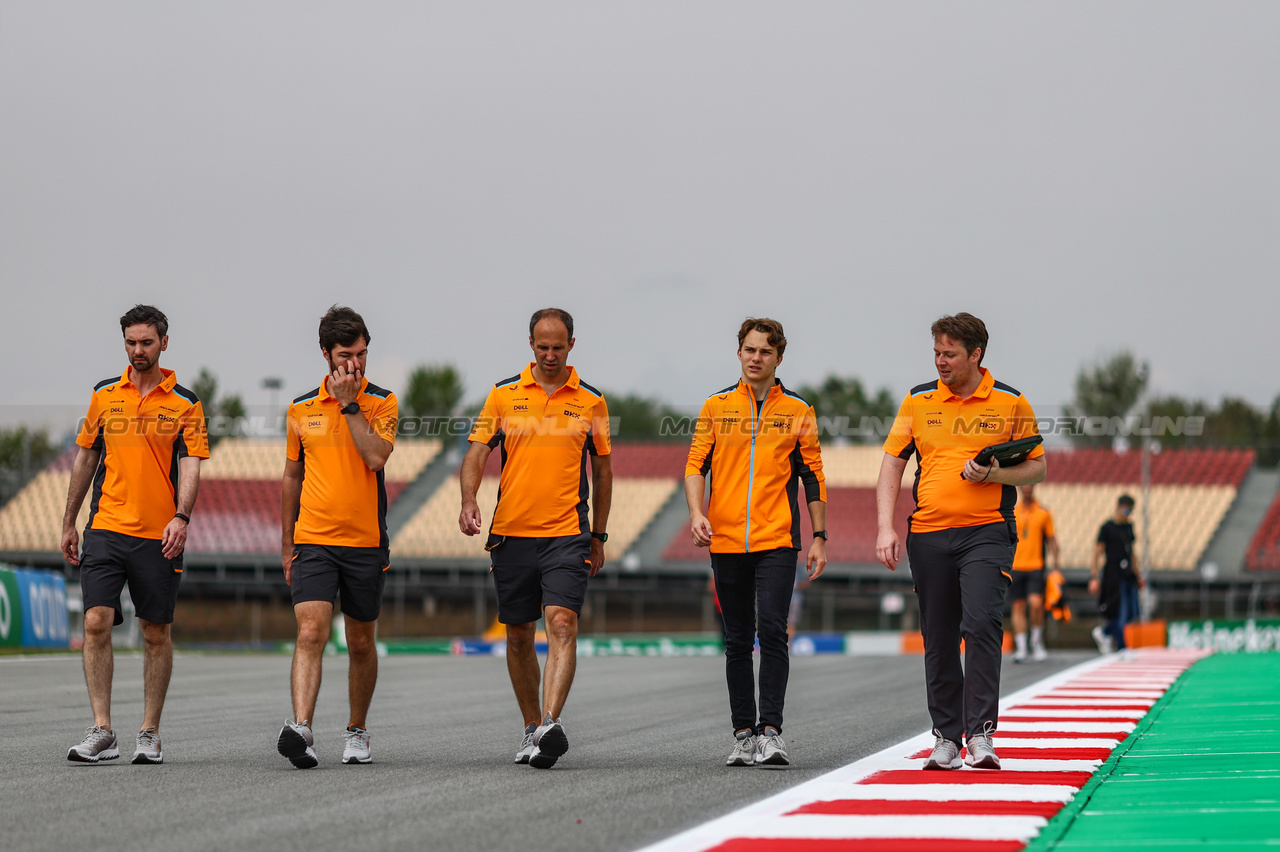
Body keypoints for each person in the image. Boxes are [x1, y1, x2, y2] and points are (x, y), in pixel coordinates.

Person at [875, 312, 1045, 771]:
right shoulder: (918, 399)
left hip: (987, 531)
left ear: (976, 354)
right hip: (928, 534)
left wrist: (995, 474)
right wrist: (885, 526)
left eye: (950, 354)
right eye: (936, 353)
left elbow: (1038, 467)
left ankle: (982, 736)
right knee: (939, 637)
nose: (940, 362)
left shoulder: (1011, 402)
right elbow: (892, 462)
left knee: (982, 623)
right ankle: (946, 738)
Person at [459, 307, 612, 769]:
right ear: (530, 344)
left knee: (562, 623)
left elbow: (603, 473)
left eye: (558, 347)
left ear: (571, 345)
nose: (549, 355)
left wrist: (599, 534)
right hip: (510, 535)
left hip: (567, 533)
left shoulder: (591, 401)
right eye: (542, 346)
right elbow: (476, 453)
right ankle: (531, 727)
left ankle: (549, 723)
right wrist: (469, 498)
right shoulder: (504, 395)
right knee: (520, 634)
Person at [61, 305, 208, 764]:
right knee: (95, 622)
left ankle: (149, 731)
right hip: (105, 527)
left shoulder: (186, 403)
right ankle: (103, 730)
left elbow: (192, 465)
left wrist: (181, 517)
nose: (138, 350)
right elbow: (86, 459)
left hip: (158, 535)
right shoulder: (105, 395)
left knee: (155, 633)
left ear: (164, 342)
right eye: (130, 342)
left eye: (146, 342)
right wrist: (69, 520)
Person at [684, 317, 827, 768]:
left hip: (778, 541)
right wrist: (696, 513)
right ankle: (743, 734)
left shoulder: (799, 410)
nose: (755, 358)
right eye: (749, 349)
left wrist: (819, 536)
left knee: (772, 632)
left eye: (765, 351)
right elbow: (695, 466)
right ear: (739, 352)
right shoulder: (716, 406)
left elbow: (813, 479)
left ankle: (771, 732)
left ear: (779, 357)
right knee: (737, 639)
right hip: (725, 541)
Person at [278, 306, 397, 769]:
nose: (356, 364)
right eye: (346, 354)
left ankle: (357, 730)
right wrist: (287, 544)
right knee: (310, 631)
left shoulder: (382, 401)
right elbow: (291, 478)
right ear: (325, 353)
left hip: (366, 541)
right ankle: (302, 727)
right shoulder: (300, 408)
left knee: (361, 642)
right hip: (314, 540)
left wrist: (350, 405)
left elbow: (376, 458)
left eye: (363, 354)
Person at [1010, 484, 1059, 662]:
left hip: (1035, 565)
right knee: (1018, 606)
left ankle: (1036, 640)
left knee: (1036, 603)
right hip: (1016, 566)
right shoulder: (1014, 512)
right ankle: (1022, 645)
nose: (1027, 488)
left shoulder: (1043, 513)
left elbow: (1052, 539)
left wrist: (1055, 565)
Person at [1089, 494, 1141, 655]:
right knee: (1120, 610)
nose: (1127, 514)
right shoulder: (1107, 527)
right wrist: (1094, 576)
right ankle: (1121, 646)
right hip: (1113, 574)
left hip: (1127, 574)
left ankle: (1104, 632)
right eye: (1126, 510)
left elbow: (1132, 553)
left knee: (1133, 612)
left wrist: (1138, 575)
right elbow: (1097, 552)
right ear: (1118, 507)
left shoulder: (1128, 527)